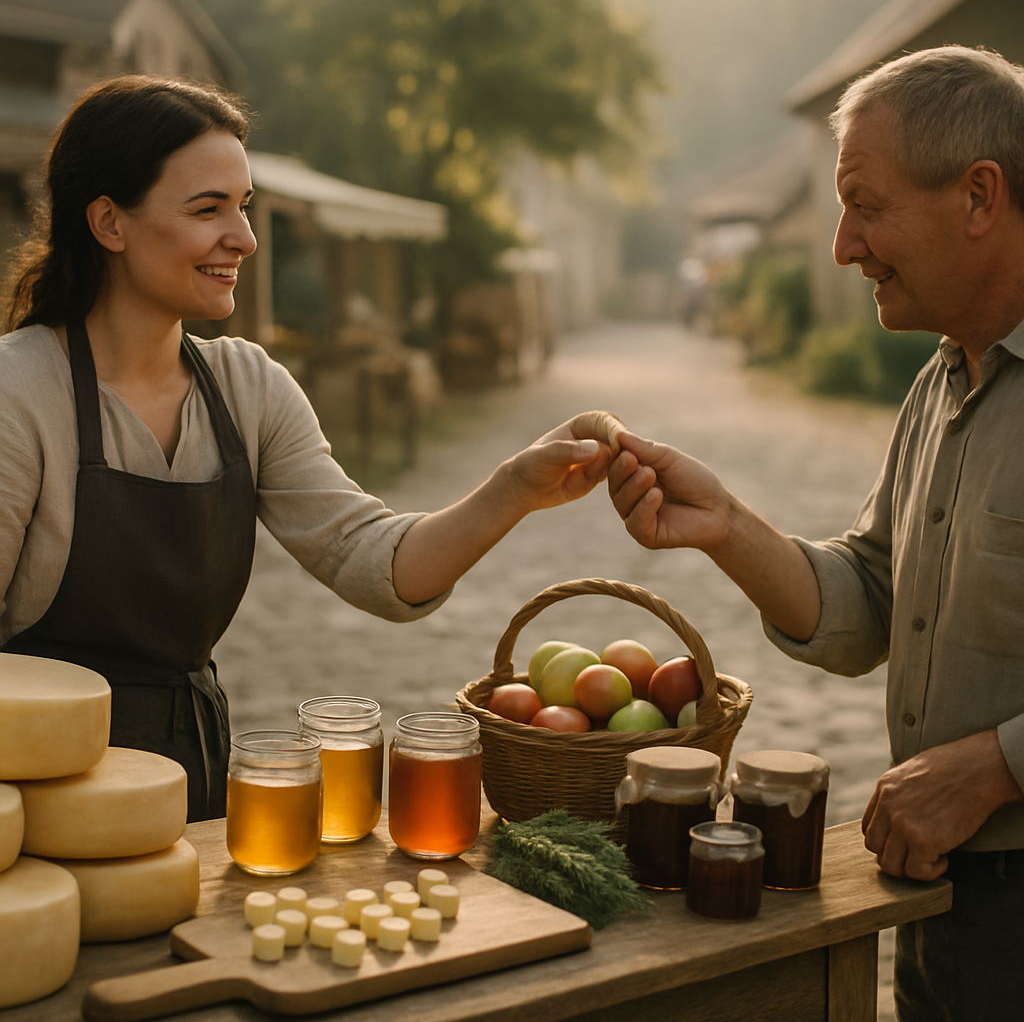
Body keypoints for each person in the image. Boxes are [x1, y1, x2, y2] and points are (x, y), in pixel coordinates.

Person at [0, 75, 618, 823]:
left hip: (189, 787)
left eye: (244, 207)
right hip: (32, 801)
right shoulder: (19, 391)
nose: (245, 239)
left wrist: (514, 487)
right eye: (208, 209)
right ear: (109, 222)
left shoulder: (248, 386)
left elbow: (374, 565)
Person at [607, 46, 1024, 1021]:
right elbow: (869, 602)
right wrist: (723, 525)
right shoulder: (942, 381)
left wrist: (999, 763)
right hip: (944, 905)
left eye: (864, 204)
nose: (841, 246)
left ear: (977, 196)